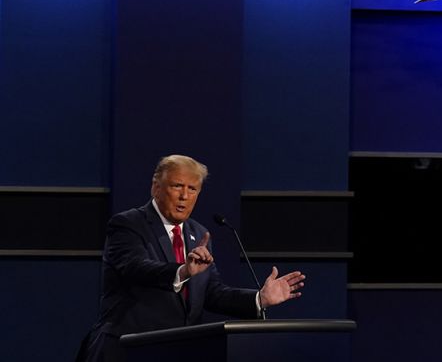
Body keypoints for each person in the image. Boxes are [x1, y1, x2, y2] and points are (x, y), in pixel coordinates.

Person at [76, 155, 306, 362]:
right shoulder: (127, 224)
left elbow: (212, 293)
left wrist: (259, 299)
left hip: (179, 351)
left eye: (192, 188)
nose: (184, 196)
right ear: (155, 187)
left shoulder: (199, 234)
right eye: (177, 186)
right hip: (128, 350)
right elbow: (136, 268)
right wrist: (182, 271)